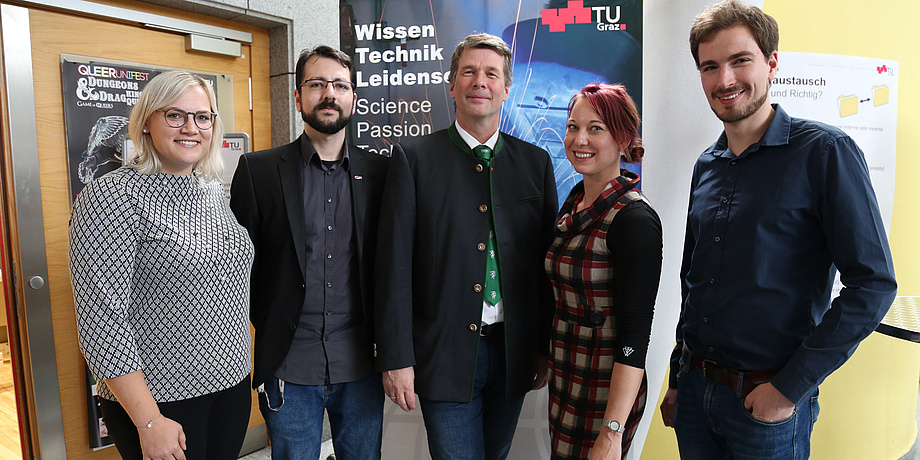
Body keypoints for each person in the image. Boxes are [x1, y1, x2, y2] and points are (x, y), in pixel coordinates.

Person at [659, 1, 898, 458]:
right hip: (694, 393)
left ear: (771, 63)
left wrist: (788, 390)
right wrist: (678, 378)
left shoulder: (826, 152)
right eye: (710, 67)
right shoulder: (707, 165)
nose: (724, 79)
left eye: (739, 60)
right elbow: (694, 282)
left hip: (765, 405)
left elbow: (873, 284)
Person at [374, 33, 558, 460]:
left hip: (513, 355)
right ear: (451, 84)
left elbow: (543, 267)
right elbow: (394, 266)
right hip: (445, 354)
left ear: (506, 88)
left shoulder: (535, 163)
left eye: (491, 74)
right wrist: (396, 358)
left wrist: (542, 348)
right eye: (469, 72)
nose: (480, 81)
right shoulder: (414, 158)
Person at [69, 70, 253, 460]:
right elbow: (102, 321)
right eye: (175, 115)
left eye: (202, 117)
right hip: (161, 401)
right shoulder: (112, 195)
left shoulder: (211, 190)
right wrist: (149, 421)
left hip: (230, 387)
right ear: (148, 122)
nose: (191, 127)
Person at [230, 45, 389, 460]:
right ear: (298, 96)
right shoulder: (258, 171)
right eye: (317, 84)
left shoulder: (381, 173)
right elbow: (237, 267)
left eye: (340, 85)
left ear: (353, 97)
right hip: (288, 364)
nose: (329, 94)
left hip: (361, 365)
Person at [545, 84, 661, 460]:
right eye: (572, 126)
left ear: (624, 137)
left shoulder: (634, 219)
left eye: (596, 128)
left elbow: (635, 336)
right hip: (567, 377)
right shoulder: (574, 202)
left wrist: (612, 432)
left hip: (605, 392)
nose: (580, 139)